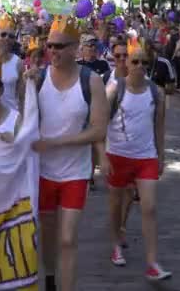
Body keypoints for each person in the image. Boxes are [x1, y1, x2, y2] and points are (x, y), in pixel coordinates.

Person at [28, 15, 108, 291]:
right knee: (48, 236)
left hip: (76, 171)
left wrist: (57, 142)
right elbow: (22, 122)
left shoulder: (92, 81)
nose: (54, 51)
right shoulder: (37, 80)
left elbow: (98, 130)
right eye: (50, 46)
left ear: (75, 48)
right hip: (43, 172)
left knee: (67, 238)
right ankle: (50, 277)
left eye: (60, 46)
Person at [101, 43, 170, 280]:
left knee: (149, 207)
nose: (140, 66)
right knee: (116, 204)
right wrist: (102, 157)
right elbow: (99, 126)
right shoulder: (114, 89)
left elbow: (159, 127)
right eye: (135, 61)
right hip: (117, 154)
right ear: (126, 64)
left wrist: (161, 156)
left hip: (145, 156)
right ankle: (115, 244)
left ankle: (152, 262)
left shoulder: (156, 93)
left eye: (144, 62)